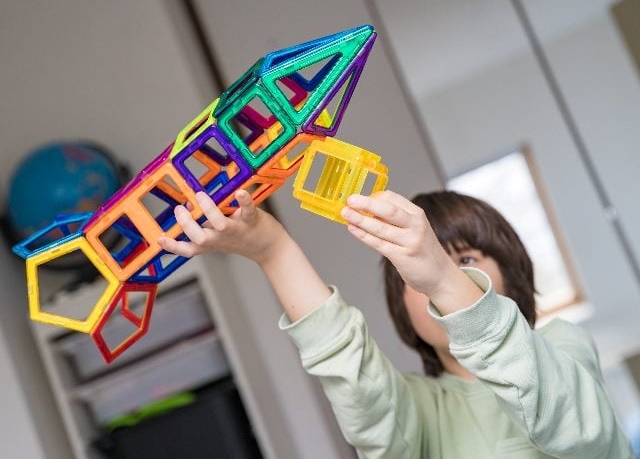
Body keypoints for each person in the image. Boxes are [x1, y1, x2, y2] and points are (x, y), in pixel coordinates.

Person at [158, 188, 635, 459]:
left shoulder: (560, 344)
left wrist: (445, 279)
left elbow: (574, 430)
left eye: (466, 259)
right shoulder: (418, 411)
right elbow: (351, 374)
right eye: (414, 275)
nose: (429, 277)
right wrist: (272, 249)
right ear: (400, 309)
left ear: (511, 276)